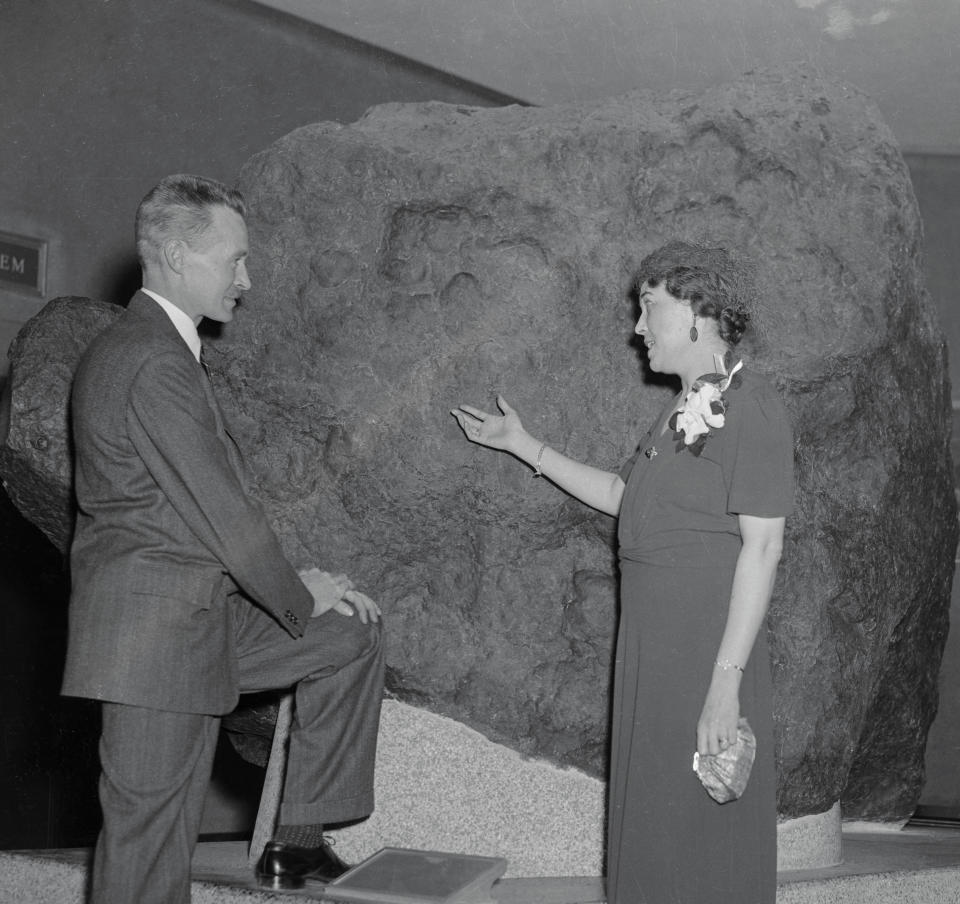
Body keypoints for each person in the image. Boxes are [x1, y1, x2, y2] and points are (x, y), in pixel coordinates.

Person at [62, 174, 385, 904]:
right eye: (233, 259)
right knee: (148, 852)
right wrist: (297, 593)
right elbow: (227, 518)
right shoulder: (149, 359)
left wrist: (307, 599)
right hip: (154, 646)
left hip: (194, 624)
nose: (247, 277)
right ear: (176, 256)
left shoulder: (160, 352)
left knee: (350, 632)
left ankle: (296, 841)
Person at [451, 241, 793, 904]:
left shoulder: (751, 404)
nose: (638, 329)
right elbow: (621, 494)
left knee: (700, 823)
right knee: (657, 821)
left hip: (704, 649)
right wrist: (525, 446)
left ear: (696, 312)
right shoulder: (685, 408)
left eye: (650, 309)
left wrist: (726, 685)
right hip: (653, 646)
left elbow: (763, 549)